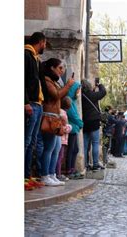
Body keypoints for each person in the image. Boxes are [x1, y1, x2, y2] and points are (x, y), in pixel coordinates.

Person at [40, 58, 75, 186]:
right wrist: (68, 85)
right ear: (52, 68)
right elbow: (56, 95)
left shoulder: (54, 81)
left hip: (55, 116)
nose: (62, 71)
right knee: (49, 148)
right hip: (49, 116)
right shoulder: (47, 80)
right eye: (60, 68)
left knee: (56, 147)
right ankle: (45, 175)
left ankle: (52, 174)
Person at [25, 32, 47, 182]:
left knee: (32, 141)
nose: (45, 46)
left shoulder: (36, 59)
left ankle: (27, 174)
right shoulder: (26, 55)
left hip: (38, 104)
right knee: (26, 140)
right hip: (30, 103)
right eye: (45, 43)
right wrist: (25, 102)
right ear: (40, 42)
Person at [81, 78, 107, 171]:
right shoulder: (92, 95)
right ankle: (95, 163)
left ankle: (84, 164)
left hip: (84, 122)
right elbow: (103, 92)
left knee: (85, 144)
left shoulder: (81, 95)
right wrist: (99, 84)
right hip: (94, 121)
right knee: (95, 143)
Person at [66, 82, 84, 179]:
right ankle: (69, 169)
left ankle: (72, 168)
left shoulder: (72, 100)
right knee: (71, 149)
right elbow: (73, 115)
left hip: (74, 128)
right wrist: (81, 123)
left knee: (75, 149)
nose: (78, 92)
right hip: (71, 128)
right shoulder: (69, 100)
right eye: (78, 89)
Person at [56, 97, 72, 181]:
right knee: (60, 157)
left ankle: (57, 173)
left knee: (58, 156)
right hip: (62, 139)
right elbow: (64, 128)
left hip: (61, 138)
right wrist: (70, 127)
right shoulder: (63, 113)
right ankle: (58, 173)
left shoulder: (59, 111)